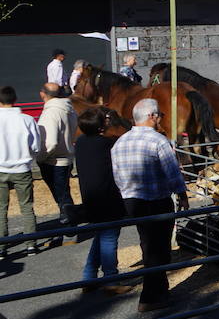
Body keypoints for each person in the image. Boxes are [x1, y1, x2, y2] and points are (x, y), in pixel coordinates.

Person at [111, 98, 188, 312]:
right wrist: (182, 194)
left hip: (132, 200)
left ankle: (160, 290)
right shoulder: (158, 141)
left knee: (148, 244)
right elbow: (173, 172)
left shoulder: (120, 142)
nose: (160, 119)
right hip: (157, 200)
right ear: (152, 116)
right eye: (160, 115)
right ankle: (150, 296)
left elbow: (117, 175)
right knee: (159, 247)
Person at [74, 107, 131, 295]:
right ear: (100, 127)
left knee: (101, 236)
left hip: (90, 198)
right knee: (109, 238)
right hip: (108, 198)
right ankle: (111, 280)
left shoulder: (81, 143)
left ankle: (89, 277)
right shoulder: (107, 144)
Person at [0, 85, 41, 241]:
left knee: (1, 209)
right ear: (15, 100)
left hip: (1, 168)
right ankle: (31, 243)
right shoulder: (27, 120)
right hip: (22, 169)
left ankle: (2, 246)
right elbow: (36, 146)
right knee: (26, 206)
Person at [34, 82, 76, 227]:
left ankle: (69, 229)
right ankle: (70, 226)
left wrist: (40, 158)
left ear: (42, 94)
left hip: (53, 160)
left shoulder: (50, 112)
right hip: (67, 157)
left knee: (62, 197)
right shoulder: (69, 108)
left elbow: (50, 142)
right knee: (65, 193)